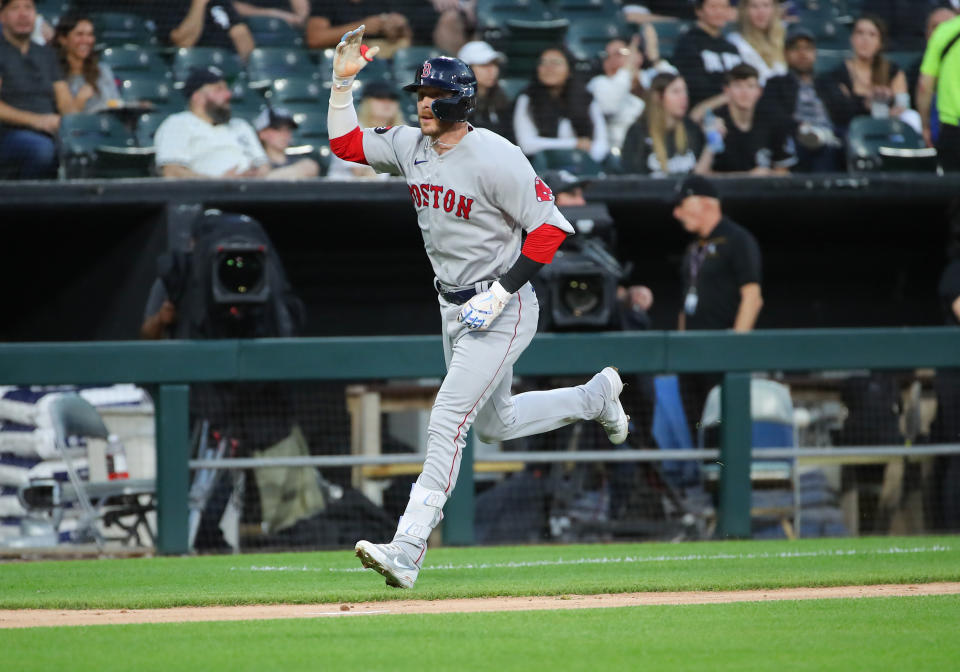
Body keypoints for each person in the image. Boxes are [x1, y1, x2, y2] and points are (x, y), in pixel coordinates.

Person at [327, 28, 629, 589]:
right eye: (419, 92)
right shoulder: (408, 145)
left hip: (503, 306)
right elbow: (345, 146)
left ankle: (409, 546)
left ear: (459, 101)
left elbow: (549, 231)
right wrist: (343, 83)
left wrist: (503, 290)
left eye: (432, 94)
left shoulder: (496, 155)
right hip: (452, 307)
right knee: (496, 422)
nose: (422, 101)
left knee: (447, 418)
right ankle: (594, 398)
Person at [672, 174, 762, 437]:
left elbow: (753, 297)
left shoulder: (737, 239)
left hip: (720, 354)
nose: (676, 213)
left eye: (682, 204)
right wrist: (679, 350)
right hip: (690, 358)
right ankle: (703, 477)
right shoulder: (693, 249)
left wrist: (733, 349)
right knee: (697, 429)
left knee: (723, 432)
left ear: (706, 203)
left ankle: (723, 477)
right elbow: (683, 303)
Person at [155, 66, 274, 178]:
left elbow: (263, 166)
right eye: (219, 89)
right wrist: (219, 184)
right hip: (207, 196)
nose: (228, 95)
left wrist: (253, 176)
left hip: (255, 192)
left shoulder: (240, 125)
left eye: (227, 89)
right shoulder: (178, 123)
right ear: (197, 97)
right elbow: (172, 173)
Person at [0, 0, 71, 179]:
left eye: (28, 8)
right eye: (15, 8)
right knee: (42, 149)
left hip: (52, 131)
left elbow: (64, 100)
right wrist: (37, 121)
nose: (23, 14)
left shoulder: (46, 54)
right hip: (9, 133)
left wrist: (75, 121)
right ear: (2, 17)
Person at [820, 14, 921, 136]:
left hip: (890, 129)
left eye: (872, 35)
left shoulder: (892, 70)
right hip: (855, 132)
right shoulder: (837, 73)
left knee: (912, 116)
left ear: (880, 43)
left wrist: (887, 111)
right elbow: (841, 113)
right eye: (860, 33)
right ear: (852, 38)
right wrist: (868, 105)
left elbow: (902, 106)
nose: (865, 39)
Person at [759, 26, 843, 172]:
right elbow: (772, 114)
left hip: (829, 136)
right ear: (785, 54)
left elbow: (844, 112)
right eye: (796, 48)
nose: (802, 53)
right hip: (796, 137)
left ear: (815, 53)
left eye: (808, 48)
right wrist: (799, 127)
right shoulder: (776, 83)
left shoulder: (828, 83)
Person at [513, 46, 609, 164]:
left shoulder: (586, 98)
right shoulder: (527, 99)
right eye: (544, 63)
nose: (549, 68)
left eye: (556, 63)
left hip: (582, 166)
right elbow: (526, 144)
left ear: (569, 69)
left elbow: (601, 144)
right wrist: (575, 144)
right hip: (540, 169)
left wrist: (588, 157)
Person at [708, 63, 797, 175]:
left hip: (763, 190)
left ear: (759, 91)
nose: (744, 92)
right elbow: (703, 174)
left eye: (750, 86)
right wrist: (748, 177)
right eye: (738, 86)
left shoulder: (772, 121)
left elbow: (783, 170)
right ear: (727, 90)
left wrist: (768, 174)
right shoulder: (715, 122)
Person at [621, 72, 712, 176]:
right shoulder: (638, 132)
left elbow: (700, 177)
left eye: (685, 91)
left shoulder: (691, 128)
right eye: (676, 92)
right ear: (658, 97)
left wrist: (711, 145)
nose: (684, 97)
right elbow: (632, 179)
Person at [671, 0, 742, 118]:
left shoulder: (731, 47)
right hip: (703, 112)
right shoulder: (688, 43)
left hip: (735, 110)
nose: (719, 12)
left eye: (723, 7)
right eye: (713, 7)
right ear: (699, 10)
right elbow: (695, 87)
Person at [326, 79, 404, 179]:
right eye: (379, 97)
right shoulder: (349, 129)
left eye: (392, 98)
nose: (387, 102)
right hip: (342, 191)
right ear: (366, 102)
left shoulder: (399, 133)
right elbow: (361, 172)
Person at [586, 37, 648, 152]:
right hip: (619, 150)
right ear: (605, 63)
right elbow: (610, 106)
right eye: (610, 55)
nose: (615, 58)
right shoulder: (599, 83)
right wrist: (626, 71)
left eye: (624, 52)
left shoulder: (648, 78)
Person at [917, 12, 960, 172]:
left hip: (953, 130)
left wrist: (925, 126)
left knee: (954, 191)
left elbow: (924, 86)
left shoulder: (944, 31)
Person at [54, 12, 121, 114]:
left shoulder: (102, 70)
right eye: (79, 34)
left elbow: (116, 104)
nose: (86, 40)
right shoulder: (54, 73)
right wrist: (80, 99)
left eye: (90, 34)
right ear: (63, 39)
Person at [155, 0, 255, 60]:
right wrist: (199, 3)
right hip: (195, 69)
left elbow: (240, 32)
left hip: (227, 63)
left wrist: (249, 68)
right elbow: (184, 43)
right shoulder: (168, 4)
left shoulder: (220, 1)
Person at [457, 40, 512, 141]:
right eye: (484, 65)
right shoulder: (454, 105)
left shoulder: (502, 101)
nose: (492, 70)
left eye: (494, 64)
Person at [726, 0, 786, 86]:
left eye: (766, 5)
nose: (761, 12)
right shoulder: (736, 42)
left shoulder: (783, 39)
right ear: (744, 10)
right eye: (754, 6)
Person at [253, 106, 319, 178]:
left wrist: (268, 177)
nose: (285, 134)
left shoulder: (300, 160)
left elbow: (310, 168)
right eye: (278, 129)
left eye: (288, 129)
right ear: (262, 133)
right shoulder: (254, 164)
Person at [233, 0, 310, 28]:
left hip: (286, 31)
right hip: (251, 29)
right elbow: (233, 7)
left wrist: (299, 18)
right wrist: (273, 14)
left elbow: (301, 15)